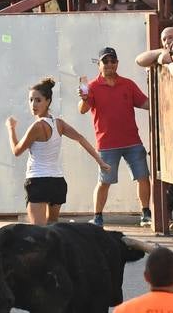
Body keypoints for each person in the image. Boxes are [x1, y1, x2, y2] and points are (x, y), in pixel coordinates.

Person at [6, 76, 109, 225]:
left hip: (38, 181)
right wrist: (100, 161)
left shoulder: (37, 127)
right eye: (30, 100)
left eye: (38, 100)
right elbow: (80, 138)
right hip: (57, 182)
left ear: (48, 101)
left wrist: (11, 128)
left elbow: (16, 151)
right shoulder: (58, 123)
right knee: (52, 229)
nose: (33, 104)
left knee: (39, 233)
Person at [78, 46, 152, 228]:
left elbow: (145, 103)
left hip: (132, 141)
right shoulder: (92, 87)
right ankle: (97, 217)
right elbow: (82, 109)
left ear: (117, 63)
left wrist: (165, 99)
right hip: (107, 144)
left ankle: (145, 214)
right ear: (99, 65)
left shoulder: (128, 84)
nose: (110, 64)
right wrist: (84, 98)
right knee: (104, 182)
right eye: (105, 61)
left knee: (143, 177)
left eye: (113, 60)